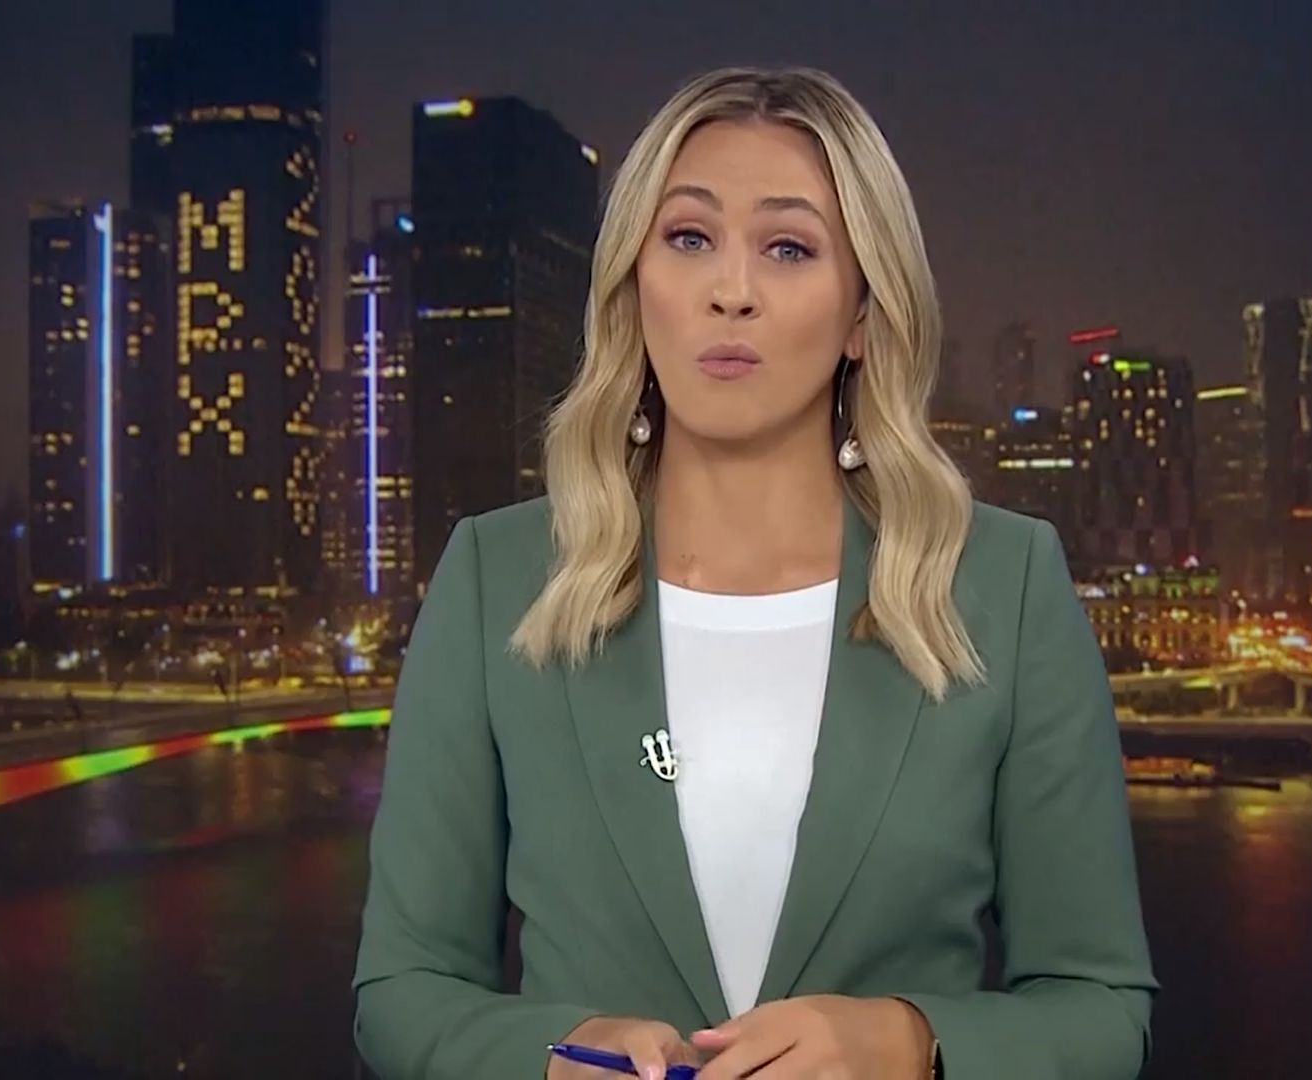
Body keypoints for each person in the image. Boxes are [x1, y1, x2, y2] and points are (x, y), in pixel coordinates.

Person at [353, 66, 1160, 1079]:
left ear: (863, 313)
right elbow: (403, 991)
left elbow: (1100, 1008)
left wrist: (910, 1043)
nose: (729, 290)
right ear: (633, 286)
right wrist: (548, 1060)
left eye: (789, 248)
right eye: (690, 238)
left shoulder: (1005, 586)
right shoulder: (496, 579)